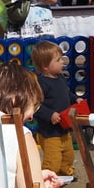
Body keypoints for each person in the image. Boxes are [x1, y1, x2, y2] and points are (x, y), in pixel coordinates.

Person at [31, 40, 74, 177]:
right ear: (45, 66)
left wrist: (75, 98)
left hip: (64, 128)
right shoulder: (41, 83)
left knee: (69, 156)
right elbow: (35, 105)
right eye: (58, 60)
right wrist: (49, 115)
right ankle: (47, 177)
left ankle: (63, 174)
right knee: (53, 161)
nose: (62, 62)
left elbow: (66, 93)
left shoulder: (60, 77)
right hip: (49, 132)